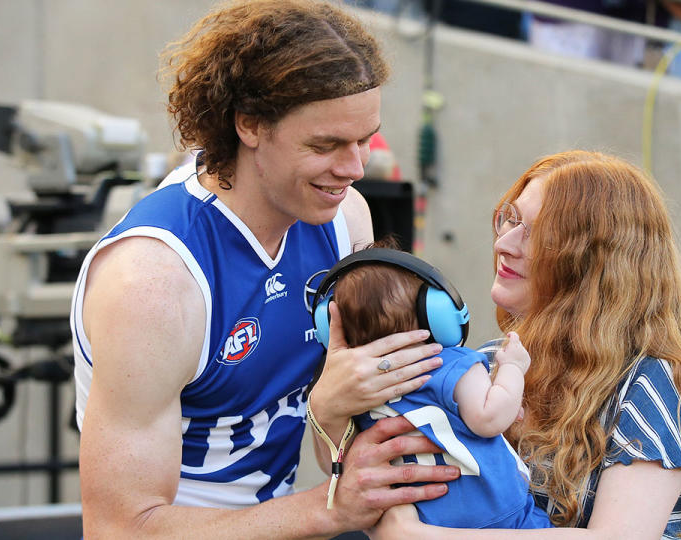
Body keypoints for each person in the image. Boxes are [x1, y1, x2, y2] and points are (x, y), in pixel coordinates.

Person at [70, 1, 461, 537]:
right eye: (326, 145)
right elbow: (121, 528)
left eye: (364, 140)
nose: (354, 169)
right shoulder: (154, 283)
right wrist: (328, 510)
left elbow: (340, 458)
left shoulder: (346, 219)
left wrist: (331, 413)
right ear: (249, 124)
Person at [373, 150, 681, 538]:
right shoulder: (488, 364)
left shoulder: (654, 381)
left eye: (540, 232)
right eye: (510, 219)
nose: (505, 243)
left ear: (597, 264)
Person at [314, 246, 552, 529]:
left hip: (429, 525)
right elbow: (490, 418)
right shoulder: (451, 365)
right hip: (505, 516)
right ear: (434, 313)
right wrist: (512, 368)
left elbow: (339, 462)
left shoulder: (360, 399)